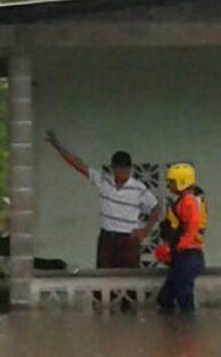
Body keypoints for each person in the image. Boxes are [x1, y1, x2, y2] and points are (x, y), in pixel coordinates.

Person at [45, 130, 160, 269]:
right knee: (104, 276)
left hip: (128, 240)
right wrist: (57, 145)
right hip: (108, 238)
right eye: (120, 169)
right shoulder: (104, 181)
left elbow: (156, 208)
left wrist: (146, 231)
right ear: (113, 168)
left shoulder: (138, 188)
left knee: (129, 279)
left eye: (126, 169)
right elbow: (79, 165)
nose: (123, 173)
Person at [156, 163, 206, 314]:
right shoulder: (183, 200)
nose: (169, 185)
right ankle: (175, 332)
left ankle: (188, 330)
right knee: (165, 297)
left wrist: (180, 245)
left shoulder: (189, 201)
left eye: (171, 181)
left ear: (181, 181)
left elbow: (193, 226)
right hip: (183, 254)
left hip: (189, 254)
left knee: (183, 294)